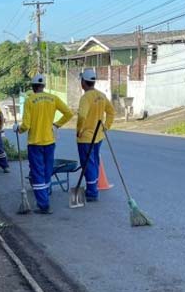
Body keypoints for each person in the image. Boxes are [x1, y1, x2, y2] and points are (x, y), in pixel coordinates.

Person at [15, 74, 74, 214]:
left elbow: (26, 125)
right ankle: (44, 198)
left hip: (35, 143)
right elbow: (69, 113)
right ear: (43, 86)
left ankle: (43, 204)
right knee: (47, 171)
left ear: (33, 87)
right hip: (49, 142)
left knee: (37, 173)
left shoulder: (30, 101)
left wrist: (18, 129)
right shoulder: (53, 99)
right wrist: (57, 124)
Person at [76, 68, 115, 202]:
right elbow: (111, 112)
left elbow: (81, 115)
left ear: (83, 82)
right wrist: (106, 126)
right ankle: (93, 187)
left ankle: (92, 192)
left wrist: (79, 130)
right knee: (95, 162)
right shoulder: (101, 95)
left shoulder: (85, 98)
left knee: (88, 164)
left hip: (86, 137)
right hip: (98, 136)